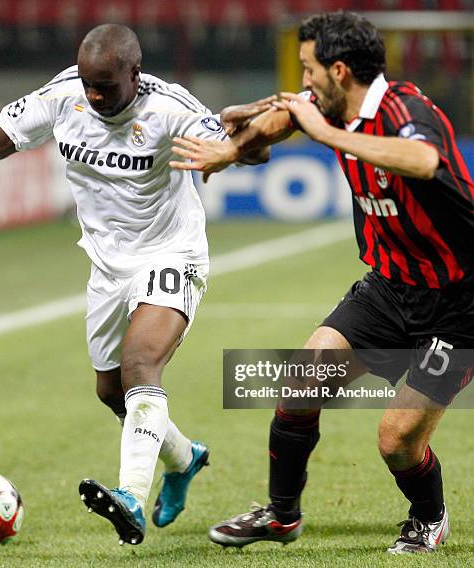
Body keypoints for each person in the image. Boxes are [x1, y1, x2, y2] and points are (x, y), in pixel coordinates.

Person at [0, 24, 269, 546]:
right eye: (88, 84)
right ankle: (183, 458)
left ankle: (130, 496)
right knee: (111, 391)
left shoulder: (170, 108)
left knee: (140, 364)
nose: (95, 95)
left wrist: (241, 147)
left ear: (134, 74)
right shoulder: (65, 94)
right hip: (106, 263)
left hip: (171, 251)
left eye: (106, 85)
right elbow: (10, 134)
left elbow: (243, 148)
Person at [170, 11, 473, 555]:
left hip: (460, 302)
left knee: (396, 442)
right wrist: (231, 149)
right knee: (300, 381)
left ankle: (429, 517)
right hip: (389, 288)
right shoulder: (332, 106)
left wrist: (326, 133)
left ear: (338, 71)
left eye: (309, 69)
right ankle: (281, 516)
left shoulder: (407, 111)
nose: (302, 80)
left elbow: (423, 160)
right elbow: (288, 116)